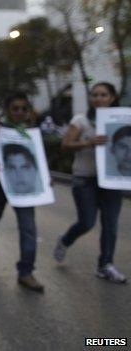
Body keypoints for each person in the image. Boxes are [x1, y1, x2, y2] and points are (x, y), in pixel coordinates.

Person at [54, 82, 126, 284]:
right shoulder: (81, 120)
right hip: (85, 179)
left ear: (112, 97)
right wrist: (89, 142)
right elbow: (66, 144)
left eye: (103, 95)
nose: (98, 98)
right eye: (94, 95)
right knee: (87, 222)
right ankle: (66, 239)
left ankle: (105, 265)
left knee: (110, 224)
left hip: (112, 180)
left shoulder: (122, 120)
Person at [0, 92, 44, 292]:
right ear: (7, 110)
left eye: (24, 108)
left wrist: (44, 179)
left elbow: (38, 161)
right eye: (15, 108)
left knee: (28, 229)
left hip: (24, 191)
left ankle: (26, 272)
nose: (20, 112)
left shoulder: (31, 132)